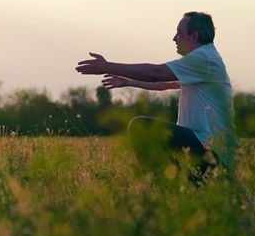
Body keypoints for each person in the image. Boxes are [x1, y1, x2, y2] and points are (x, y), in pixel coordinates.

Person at [75, 12, 237, 177]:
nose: (174, 38)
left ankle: (159, 182)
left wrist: (108, 66)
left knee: (140, 126)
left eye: (179, 34)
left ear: (194, 36)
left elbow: (156, 73)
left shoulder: (204, 58)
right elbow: (164, 84)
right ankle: (177, 182)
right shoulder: (205, 59)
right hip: (205, 147)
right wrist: (129, 81)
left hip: (210, 150)